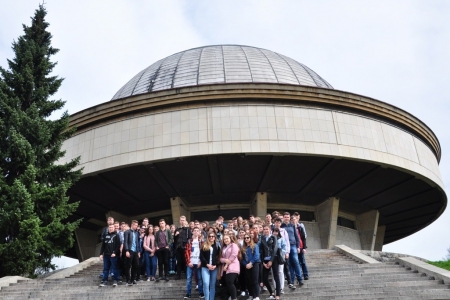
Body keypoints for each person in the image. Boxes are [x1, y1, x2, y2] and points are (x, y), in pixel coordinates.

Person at [280, 212, 303, 288]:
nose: (286, 218)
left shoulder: (292, 226)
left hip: (293, 245)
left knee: (296, 261)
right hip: (285, 246)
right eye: (285, 217)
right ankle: (292, 281)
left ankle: (300, 279)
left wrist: (298, 246)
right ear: (283, 218)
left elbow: (296, 237)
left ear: (290, 218)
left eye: (288, 217)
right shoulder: (281, 226)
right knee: (289, 264)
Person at [259, 225, 280, 300]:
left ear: (270, 230)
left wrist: (271, 260)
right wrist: (263, 262)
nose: (265, 230)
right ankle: (271, 293)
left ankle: (278, 295)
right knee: (264, 278)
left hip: (274, 259)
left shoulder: (273, 237)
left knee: (276, 277)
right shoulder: (262, 238)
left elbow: (275, 249)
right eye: (264, 229)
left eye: (267, 229)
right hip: (265, 260)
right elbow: (261, 251)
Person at [184, 227, 205, 299]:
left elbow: (203, 253)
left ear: (199, 233)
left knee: (199, 278)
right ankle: (188, 293)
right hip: (190, 263)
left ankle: (201, 293)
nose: (196, 232)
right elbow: (186, 252)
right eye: (194, 231)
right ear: (192, 232)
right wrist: (188, 262)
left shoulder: (202, 241)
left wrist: (201, 262)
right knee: (189, 278)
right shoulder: (189, 241)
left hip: (198, 262)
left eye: (197, 231)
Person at [220, 234, 240, 300]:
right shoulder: (223, 247)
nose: (226, 240)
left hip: (233, 266)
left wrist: (226, 264)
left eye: (227, 238)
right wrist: (225, 260)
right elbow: (220, 258)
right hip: (226, 269)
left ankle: (234, 298)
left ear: (230, 238)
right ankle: (232, 297)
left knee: (230, 282)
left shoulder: (234, 245)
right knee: (229, 283)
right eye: (224, 239)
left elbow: (234, 255)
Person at [241, 233, 261, 300]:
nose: (246, 239)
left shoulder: (255, 246)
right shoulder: (243, 248)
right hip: (247, 265)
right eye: (245, 238)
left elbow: (257, 256)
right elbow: (241, 259)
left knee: (255, 280)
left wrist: (251, 263)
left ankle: (257, 296)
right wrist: (245, 264)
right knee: (249, 281)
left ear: (250, 238)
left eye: (248, 238)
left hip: (255, 264)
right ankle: (253, 295)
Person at [200, 232, 220, 300]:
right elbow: (201, 256)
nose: (211, 237)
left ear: (215, 237)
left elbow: (219, 257)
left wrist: (215, 265)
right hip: (205, 267)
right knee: (206, 283)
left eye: (213, 236)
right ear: (208, 237)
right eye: (210, 236)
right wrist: (207, 264)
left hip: (214, 267)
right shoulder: (204, 245)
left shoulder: (217, 246)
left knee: (212, 285)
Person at [123, 220, 141, 286]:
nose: (136, 226)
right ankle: (128, 280)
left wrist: (139, 251)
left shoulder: (136, 233)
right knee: (128, 265)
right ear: (132, 225)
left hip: (136, 251)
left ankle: (133, 279)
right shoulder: (127, 232)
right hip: (130, 250)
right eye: (135, 225)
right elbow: (125, 242)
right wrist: (127, 250)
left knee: (136, 265)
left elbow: (137, 242)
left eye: (137, 225)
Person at [175, 216, 192, 280]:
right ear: (179, 221)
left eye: (183, 220)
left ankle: (187, 275)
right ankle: (178, 275)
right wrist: (175, 235)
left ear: (185, 221)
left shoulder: (188, 229)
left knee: (185, 262)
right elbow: (174, 240)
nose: (182, 221)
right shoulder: (177, 229)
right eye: (181, 220)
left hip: (185, 248)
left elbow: (190, 238)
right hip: (178, 248)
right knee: (179, 262)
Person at [293, 213, 309, 280]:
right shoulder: (291, 228)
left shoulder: (300, 227)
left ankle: (305, 274)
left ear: (297, 220)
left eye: (295, 219)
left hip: (301, 246)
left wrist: (304, 247)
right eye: (293, 219)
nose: (294, 220)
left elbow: (303, 238)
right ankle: (299, 274)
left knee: (302, 261)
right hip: (295, 247)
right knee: (297, 262)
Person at [272, 227, 287, 295]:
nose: (275, 233)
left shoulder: (281, 239)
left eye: (276, 231)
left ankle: (281, 287)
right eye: (274, 231)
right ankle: (275, 287)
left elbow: (284, 248)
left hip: (280, 257)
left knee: (280, 271)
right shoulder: (270, 239)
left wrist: (280, 252)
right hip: (273, 258)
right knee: (274, 273)